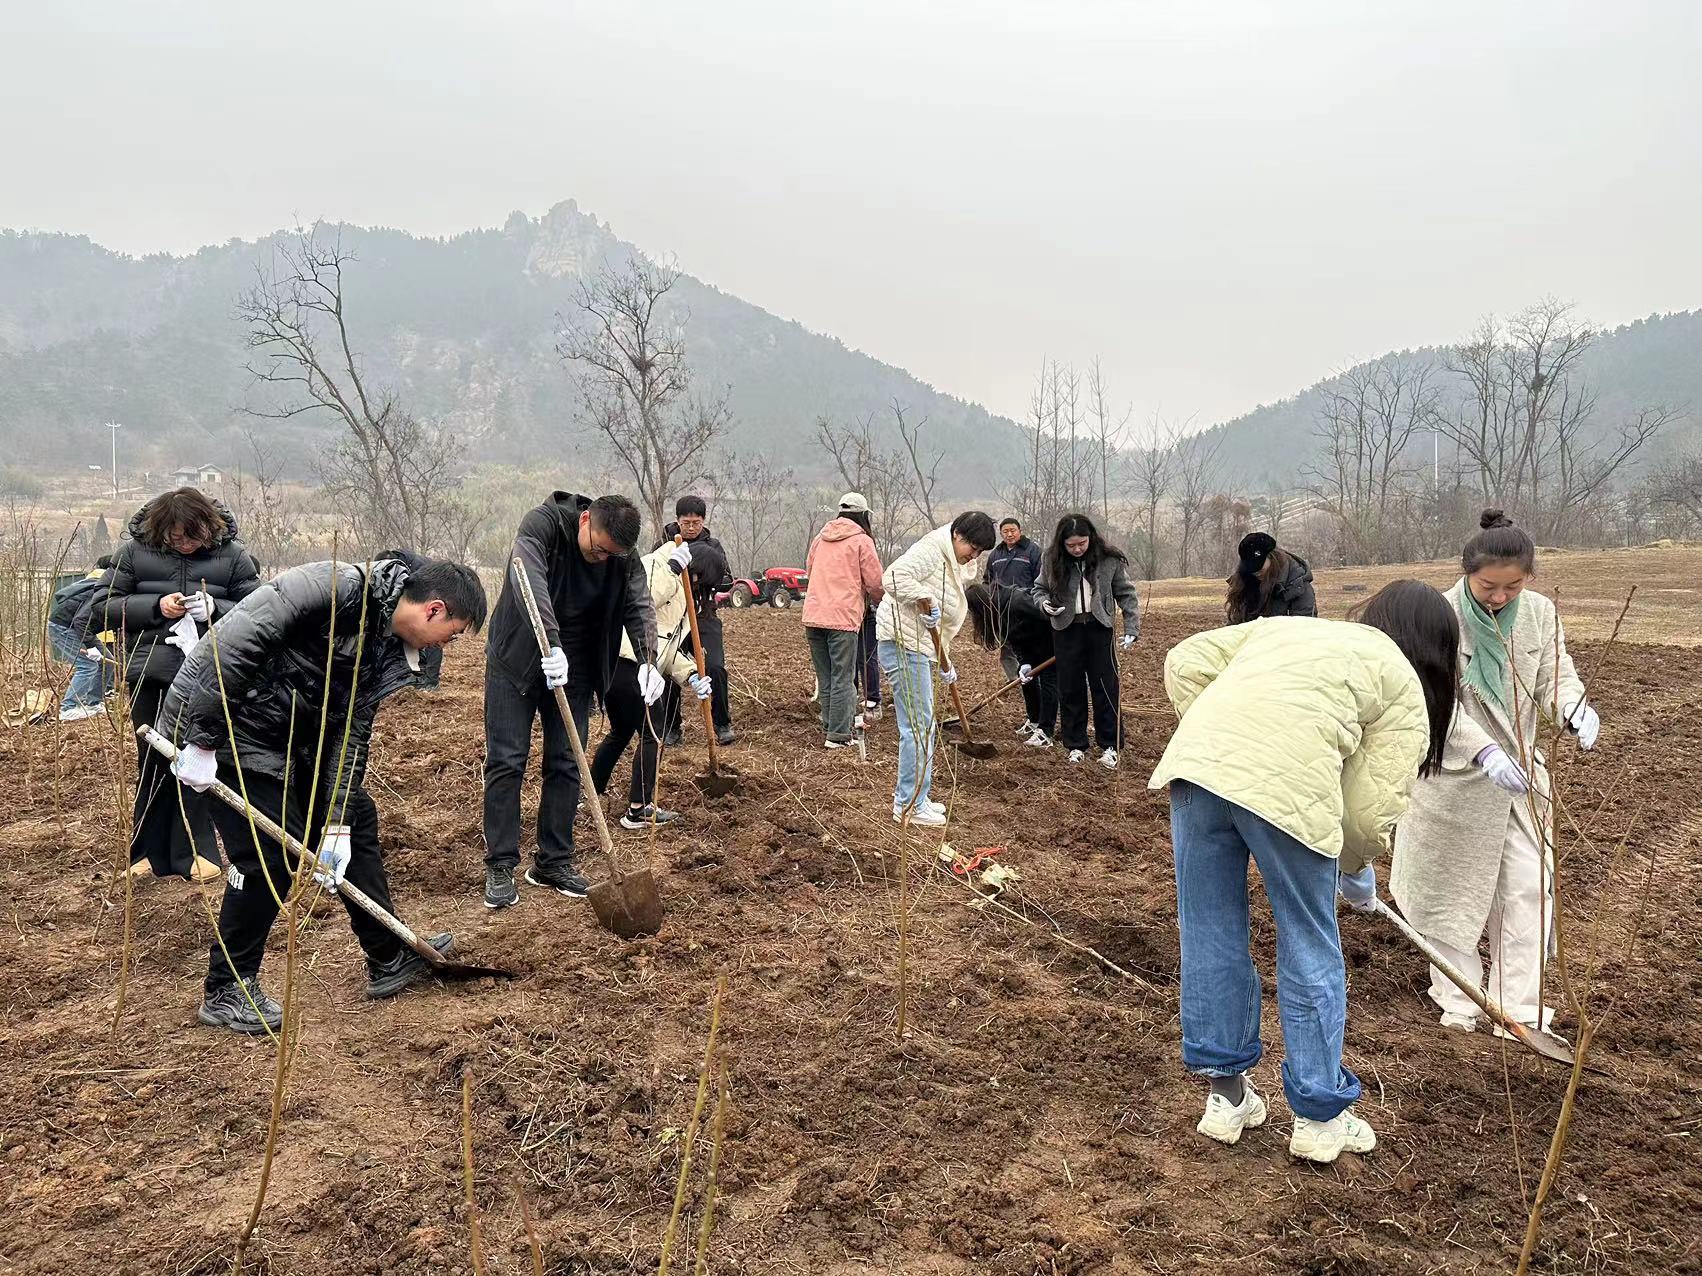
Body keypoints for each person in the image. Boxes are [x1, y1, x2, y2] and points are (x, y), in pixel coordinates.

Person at [1149, 580, 1460, 1163]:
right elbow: (1368, 810)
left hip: (1198, 772)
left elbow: (1185, 660)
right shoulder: (1401, 682)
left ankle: (1227, 1097)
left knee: (1210, 932)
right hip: (1282, 793)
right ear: (1436, 649)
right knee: (1308, 942)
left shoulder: (1290, 626)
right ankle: (1320, 1117)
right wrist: (1354, 865)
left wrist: (1231, 738)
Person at [161, 553, 487, 1032]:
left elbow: (350, 732)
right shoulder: (329, 587)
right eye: (454, 633)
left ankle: (387, 955)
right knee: (266, 855)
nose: (450, 644)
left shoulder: (386, 643)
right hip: (225, 731)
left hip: (290, 740)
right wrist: (202, 739)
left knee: (356, 816)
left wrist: (335, 822)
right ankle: (227, 987)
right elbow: (229, 648)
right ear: (433, 610)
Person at [1390, 510, 1596, 1038]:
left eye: (1514, 586)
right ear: (1467, 575)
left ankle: (1518, 1008)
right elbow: (1434, 701)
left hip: (1522, 779)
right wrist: (1482, 751)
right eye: (1488, 587)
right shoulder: (1439, 615)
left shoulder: (1541, 615)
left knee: (1528, 887)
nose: (1500, 597)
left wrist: (1572, 707)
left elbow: (1556, 675)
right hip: (1454, 779)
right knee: (1449, 893)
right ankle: (1460, 999)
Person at [482, 491, 658, 909]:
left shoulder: (621, 555)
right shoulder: (543, 525)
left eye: (612, 555)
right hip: (520, 657)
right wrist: (551, 641)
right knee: (507, 760)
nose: (602, 559)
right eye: (598, 550)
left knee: (567, 761)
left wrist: (650, 659)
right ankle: (500, 864)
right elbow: (529, 582)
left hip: (577, 665)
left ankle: (553, 860)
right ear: (585, 522)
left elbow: (638, 603)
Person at [79, 488, 261, 882]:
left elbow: (260, 611)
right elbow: (100, 607)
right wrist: (156, 607)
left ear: (208, 528)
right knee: (152, 759)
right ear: (162, 530)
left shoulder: (232, 557)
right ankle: (146, 853)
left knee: (197, 758)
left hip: (211, 677)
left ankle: (197, 850)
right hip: (151, 672)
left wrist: (217, 609)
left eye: (192, 536)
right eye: (176, 537)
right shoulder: (134, 552)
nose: (184, 544)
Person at [875, 510, 997, 826]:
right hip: (903, 645)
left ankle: (919, 798)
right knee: (917, 727)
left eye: (981, 551)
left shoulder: (952, 558)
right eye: (974, 548)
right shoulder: (931, 550)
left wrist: (944, 660)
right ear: (958, 536)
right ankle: (909, 805)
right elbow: (892, 578)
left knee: (923, 725)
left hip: (919, 647)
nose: (975, 556)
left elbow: (945, 603)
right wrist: (923, 597)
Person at [589, 538, 711, 829]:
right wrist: (672, 571)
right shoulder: (655, 566)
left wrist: (691, 674)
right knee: (653, 732)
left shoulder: (682, 592)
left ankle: (591, 792)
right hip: (629, 661)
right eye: (698, 579)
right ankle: (638, 808)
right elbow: (643, 600)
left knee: (621, 731)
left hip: (629, 663)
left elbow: (664, 645)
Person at [1032, 513, 1140, 768]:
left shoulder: (1109, 559)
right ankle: (1075, 744)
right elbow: (1038, 589)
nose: (1078, 549)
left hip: (1099, 628)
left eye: (1082, 543)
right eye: (1071, 545)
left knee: (1105, 687)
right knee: (1070, 688)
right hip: (1066, 629)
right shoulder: (1050, 559)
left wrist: (1132, 626)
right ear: (1062, 544)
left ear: (1090, 538)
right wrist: (1044, 605)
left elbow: (1126, 593)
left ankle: (1110, 745)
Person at [802, 493, 885, 749]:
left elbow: (809, 570)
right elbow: (875, 583)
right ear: (863, 515)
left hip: (813, 617)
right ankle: (838, 735)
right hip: (843, 619)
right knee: (843, 677)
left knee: (826, 676)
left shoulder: (820, 538)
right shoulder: (862, 541)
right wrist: (879, 601)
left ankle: (830, 725)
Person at [658, 496, 735, 746]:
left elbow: (726, 580)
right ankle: (671, 728)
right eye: (686, 522)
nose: (691, 527)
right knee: (670, 671)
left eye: (696, 522)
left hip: (704, 617)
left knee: (714, 668)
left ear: (703, 521)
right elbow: (652, 575)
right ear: (678, 521)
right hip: (673, 620)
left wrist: (702, 575)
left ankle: (722, 724)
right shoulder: (663, 544)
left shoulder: (713, 545)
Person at [964, 582, 1058, 747]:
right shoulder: (998, 610)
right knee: (1026, 678)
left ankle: (1045, 731)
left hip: (1052, 644)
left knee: (1048, 680)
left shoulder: (1018, 601)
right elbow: (1015, 637)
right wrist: (1025, 662)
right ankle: (1034, 720)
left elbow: (1048, 617)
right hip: (1034, 647)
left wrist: (1062, 644)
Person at [47, 555, 117, 720]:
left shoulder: (111, 587)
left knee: (107, 662)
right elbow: (81, 620)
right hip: (63, 627)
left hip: (78, 628)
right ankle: (67, 708)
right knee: (88, 665)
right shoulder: (104, 589)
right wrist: (91, 647)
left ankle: (93, 703)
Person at [985, 517, 1044, 690]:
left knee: (1030, 644)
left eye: (1013, 530)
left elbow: (1040, 579)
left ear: (1020, 531)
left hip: (1027, 606)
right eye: (1005, 531)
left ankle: (1035, 676)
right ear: (1001, 533)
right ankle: (1014, 679)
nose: (1009, 534)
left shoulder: (1032, 551)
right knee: (1007, 645)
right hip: (1003, 608)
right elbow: (987, 579)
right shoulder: (996, 554)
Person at [1226, 532, 1317, 623]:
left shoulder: (1299, 589)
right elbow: (1236, 625)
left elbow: (1305, 629)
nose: (1255, 572)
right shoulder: (1246, 582)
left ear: (1272, 557)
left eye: (1259, 566)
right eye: (1250, 568)